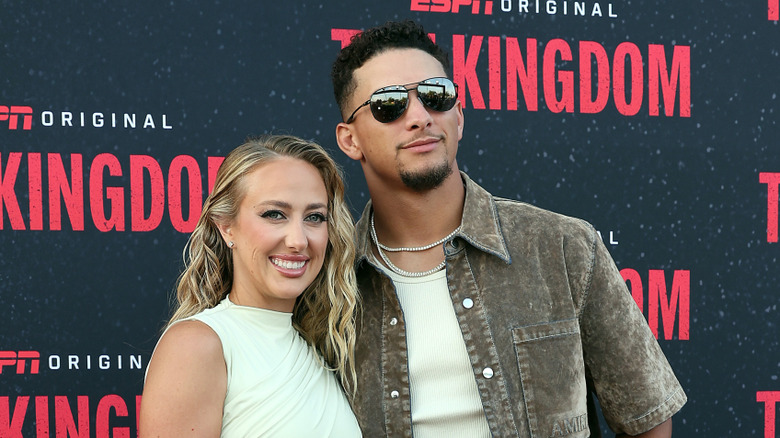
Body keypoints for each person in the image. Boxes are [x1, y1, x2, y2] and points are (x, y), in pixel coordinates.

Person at [331, 20, 686, 438]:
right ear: (350, 139)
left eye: (436, 96)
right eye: (388, 104)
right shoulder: (331, 282)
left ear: (458, 118)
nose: (420, 117)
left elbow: (647, 420)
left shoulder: (564, 247)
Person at [139, 135, 362, 437]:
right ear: (226, 225)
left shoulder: (321, 350)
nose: (298, 240)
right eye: (274, 214)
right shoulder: (196, 346)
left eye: (314, 217)